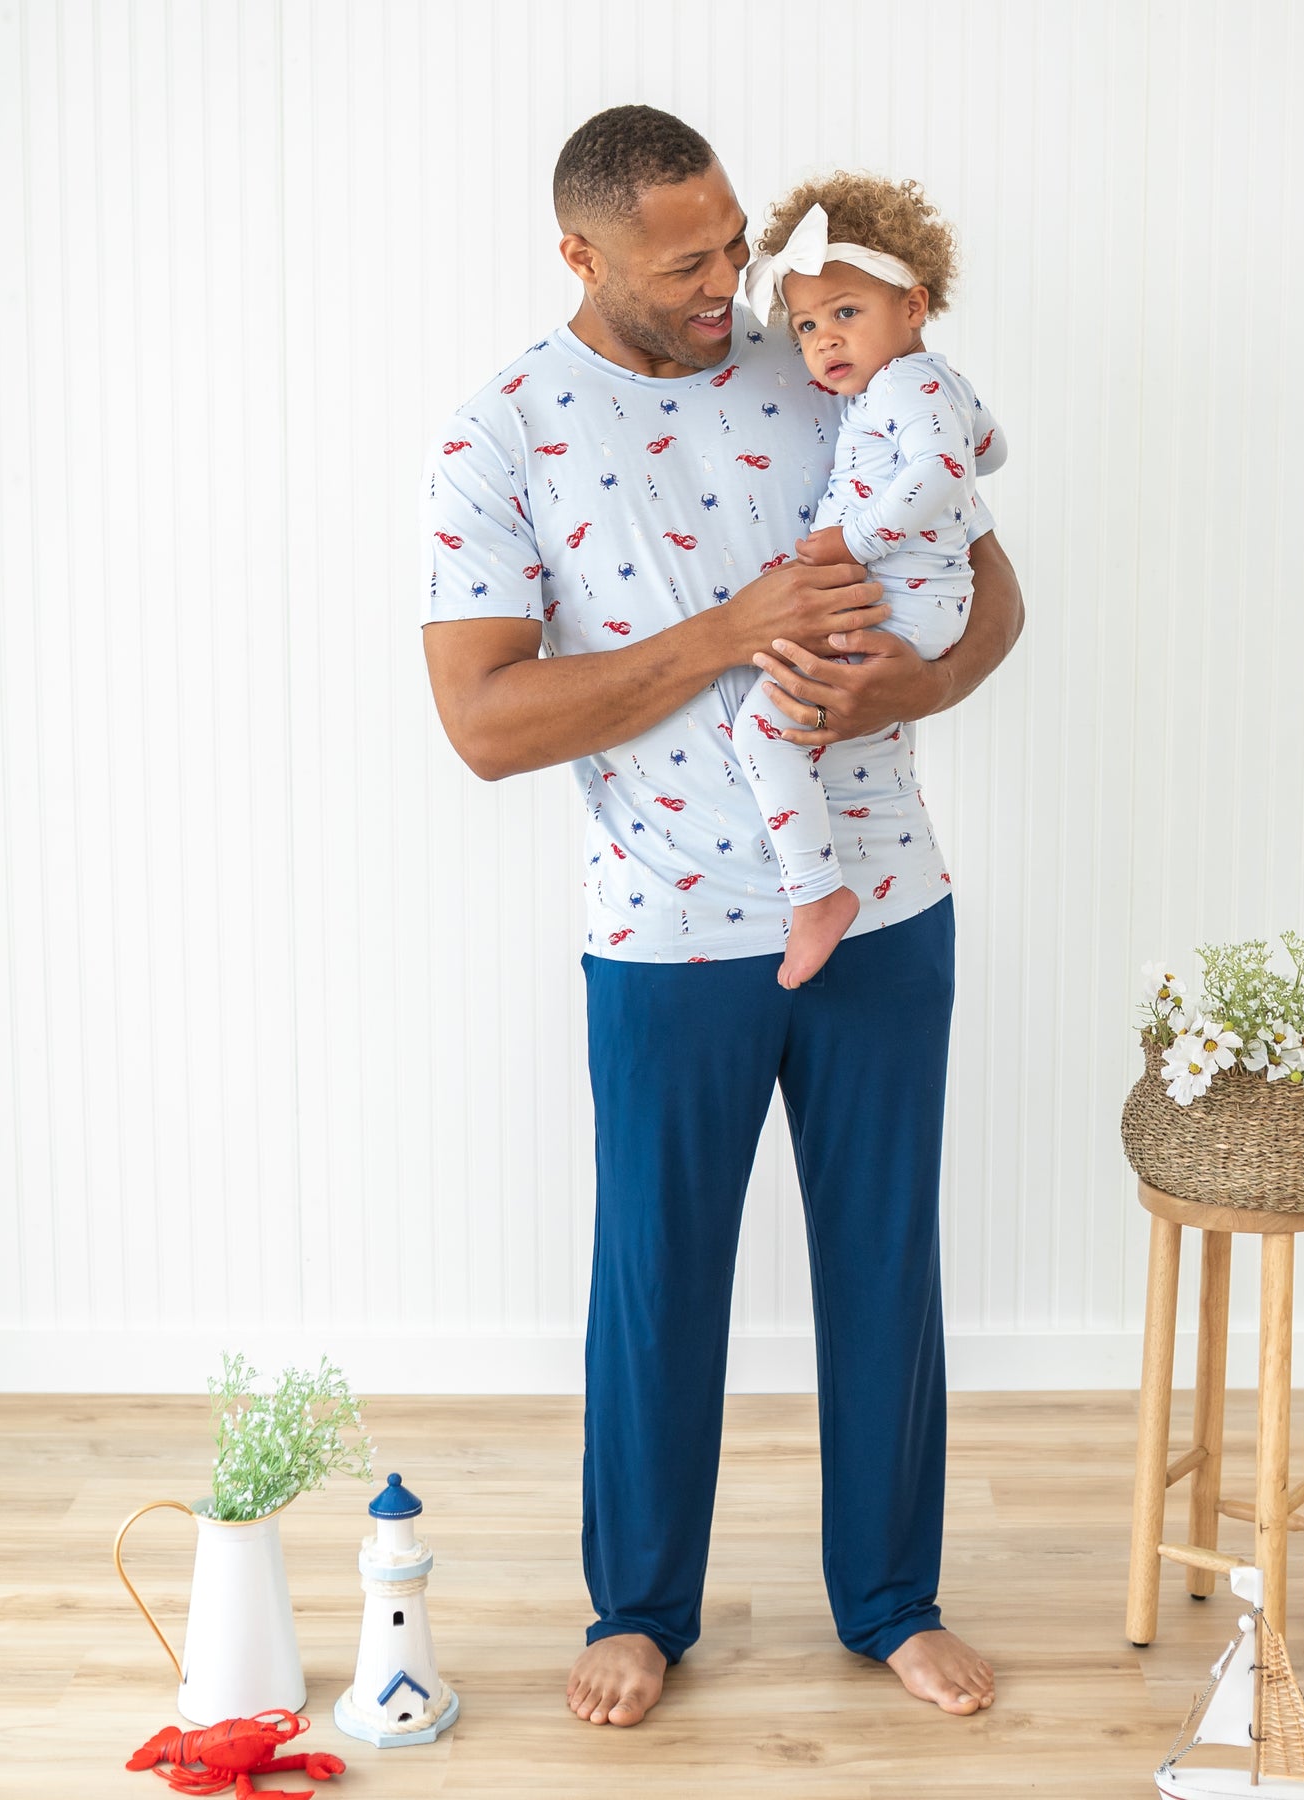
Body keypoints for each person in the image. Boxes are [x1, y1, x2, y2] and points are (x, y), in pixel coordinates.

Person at [420, 104, 1024, 1730]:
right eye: (689, 262)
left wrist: (927, 674)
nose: (731, 282)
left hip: (886, 905)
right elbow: (481, 724)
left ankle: (893, 1596)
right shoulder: (501, 434)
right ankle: (639, 1610)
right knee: (659, 1277)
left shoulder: (822, 361)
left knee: (887, 1268)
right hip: (666, 931)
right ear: (581, 255)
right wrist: (727, 632)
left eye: (735, 241)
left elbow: (992, 589)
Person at [734, 175, 1007, 988]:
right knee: (800, 726)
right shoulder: (933, 382)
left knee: (760, 732)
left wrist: (852, 538)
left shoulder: (901, 385)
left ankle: (817, 895)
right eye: (809, 324)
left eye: (847, 313)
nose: (824, 341)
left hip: (901, 604)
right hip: (923, 602)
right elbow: (990, 448)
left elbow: (950, 467)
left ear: (914, 306)